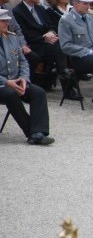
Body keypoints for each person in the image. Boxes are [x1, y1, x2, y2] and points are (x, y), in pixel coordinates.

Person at [0, 8, 52, 145]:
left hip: (16, 81)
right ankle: (32, 132)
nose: (7, 24)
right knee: (10, 94)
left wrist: (24, 78)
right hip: (3, 84)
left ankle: (39, 131)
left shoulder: (12, 37)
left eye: (7, 21)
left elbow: (23, 61)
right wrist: (7, 82)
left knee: (38, 92)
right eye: (3, 21)